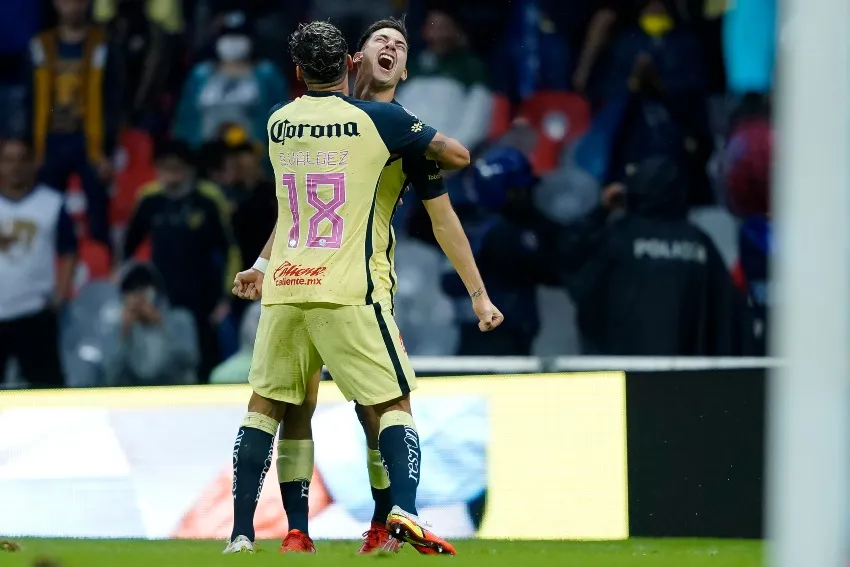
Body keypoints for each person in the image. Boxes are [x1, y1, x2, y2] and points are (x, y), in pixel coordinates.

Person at [224, 20, 502, 556]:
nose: (392, 48)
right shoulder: (388, 125)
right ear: (355, 59)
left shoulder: (295, 121)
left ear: (404, 68)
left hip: (299, 285)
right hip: (350, 288)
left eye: (400, 46)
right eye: (381, 41)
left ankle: (359, 527)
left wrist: (478, 293)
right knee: (352, 405)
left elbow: (443, 221)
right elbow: (298, 208)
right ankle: (327, 525)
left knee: (327, 409)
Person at [123, 140, 239, 382]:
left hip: (203, 297)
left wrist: (226, 297)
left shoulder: (207, 198)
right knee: (163, 357)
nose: (172, 176)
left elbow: (230, 249)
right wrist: (126, 287)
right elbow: (127, 248)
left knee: (205, 360)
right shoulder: (148, 199)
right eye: (165, 168)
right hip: (161, 295)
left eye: (177, 168)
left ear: (189, 170)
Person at [29, 0, 118, 248]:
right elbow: (30, 98)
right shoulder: (40, 45)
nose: (73, 6)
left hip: (90, 142)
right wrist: (31, 148)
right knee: (47, 212)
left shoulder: (102, 43)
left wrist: (107, 150)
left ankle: (102, 271)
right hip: (50, 141)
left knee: (98, 214)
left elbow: (113, 98)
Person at [0, 137, 77, 387]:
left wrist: (60, 294)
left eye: (22, 159)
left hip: (35, 312)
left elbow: (68, 251)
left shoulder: (51, 203)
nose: (15, 167)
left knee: (48, 391)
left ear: (34, 163)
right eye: (8, 160)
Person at [103, 262, 200, 386]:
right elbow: (111, 378)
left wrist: (160, 323)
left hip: (177, 396)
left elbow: (189, 360)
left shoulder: (180, 318)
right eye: (132, 289)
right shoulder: (120, 328)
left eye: (143, 287)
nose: (138, 295)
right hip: (140, 401)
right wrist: (125, 335)